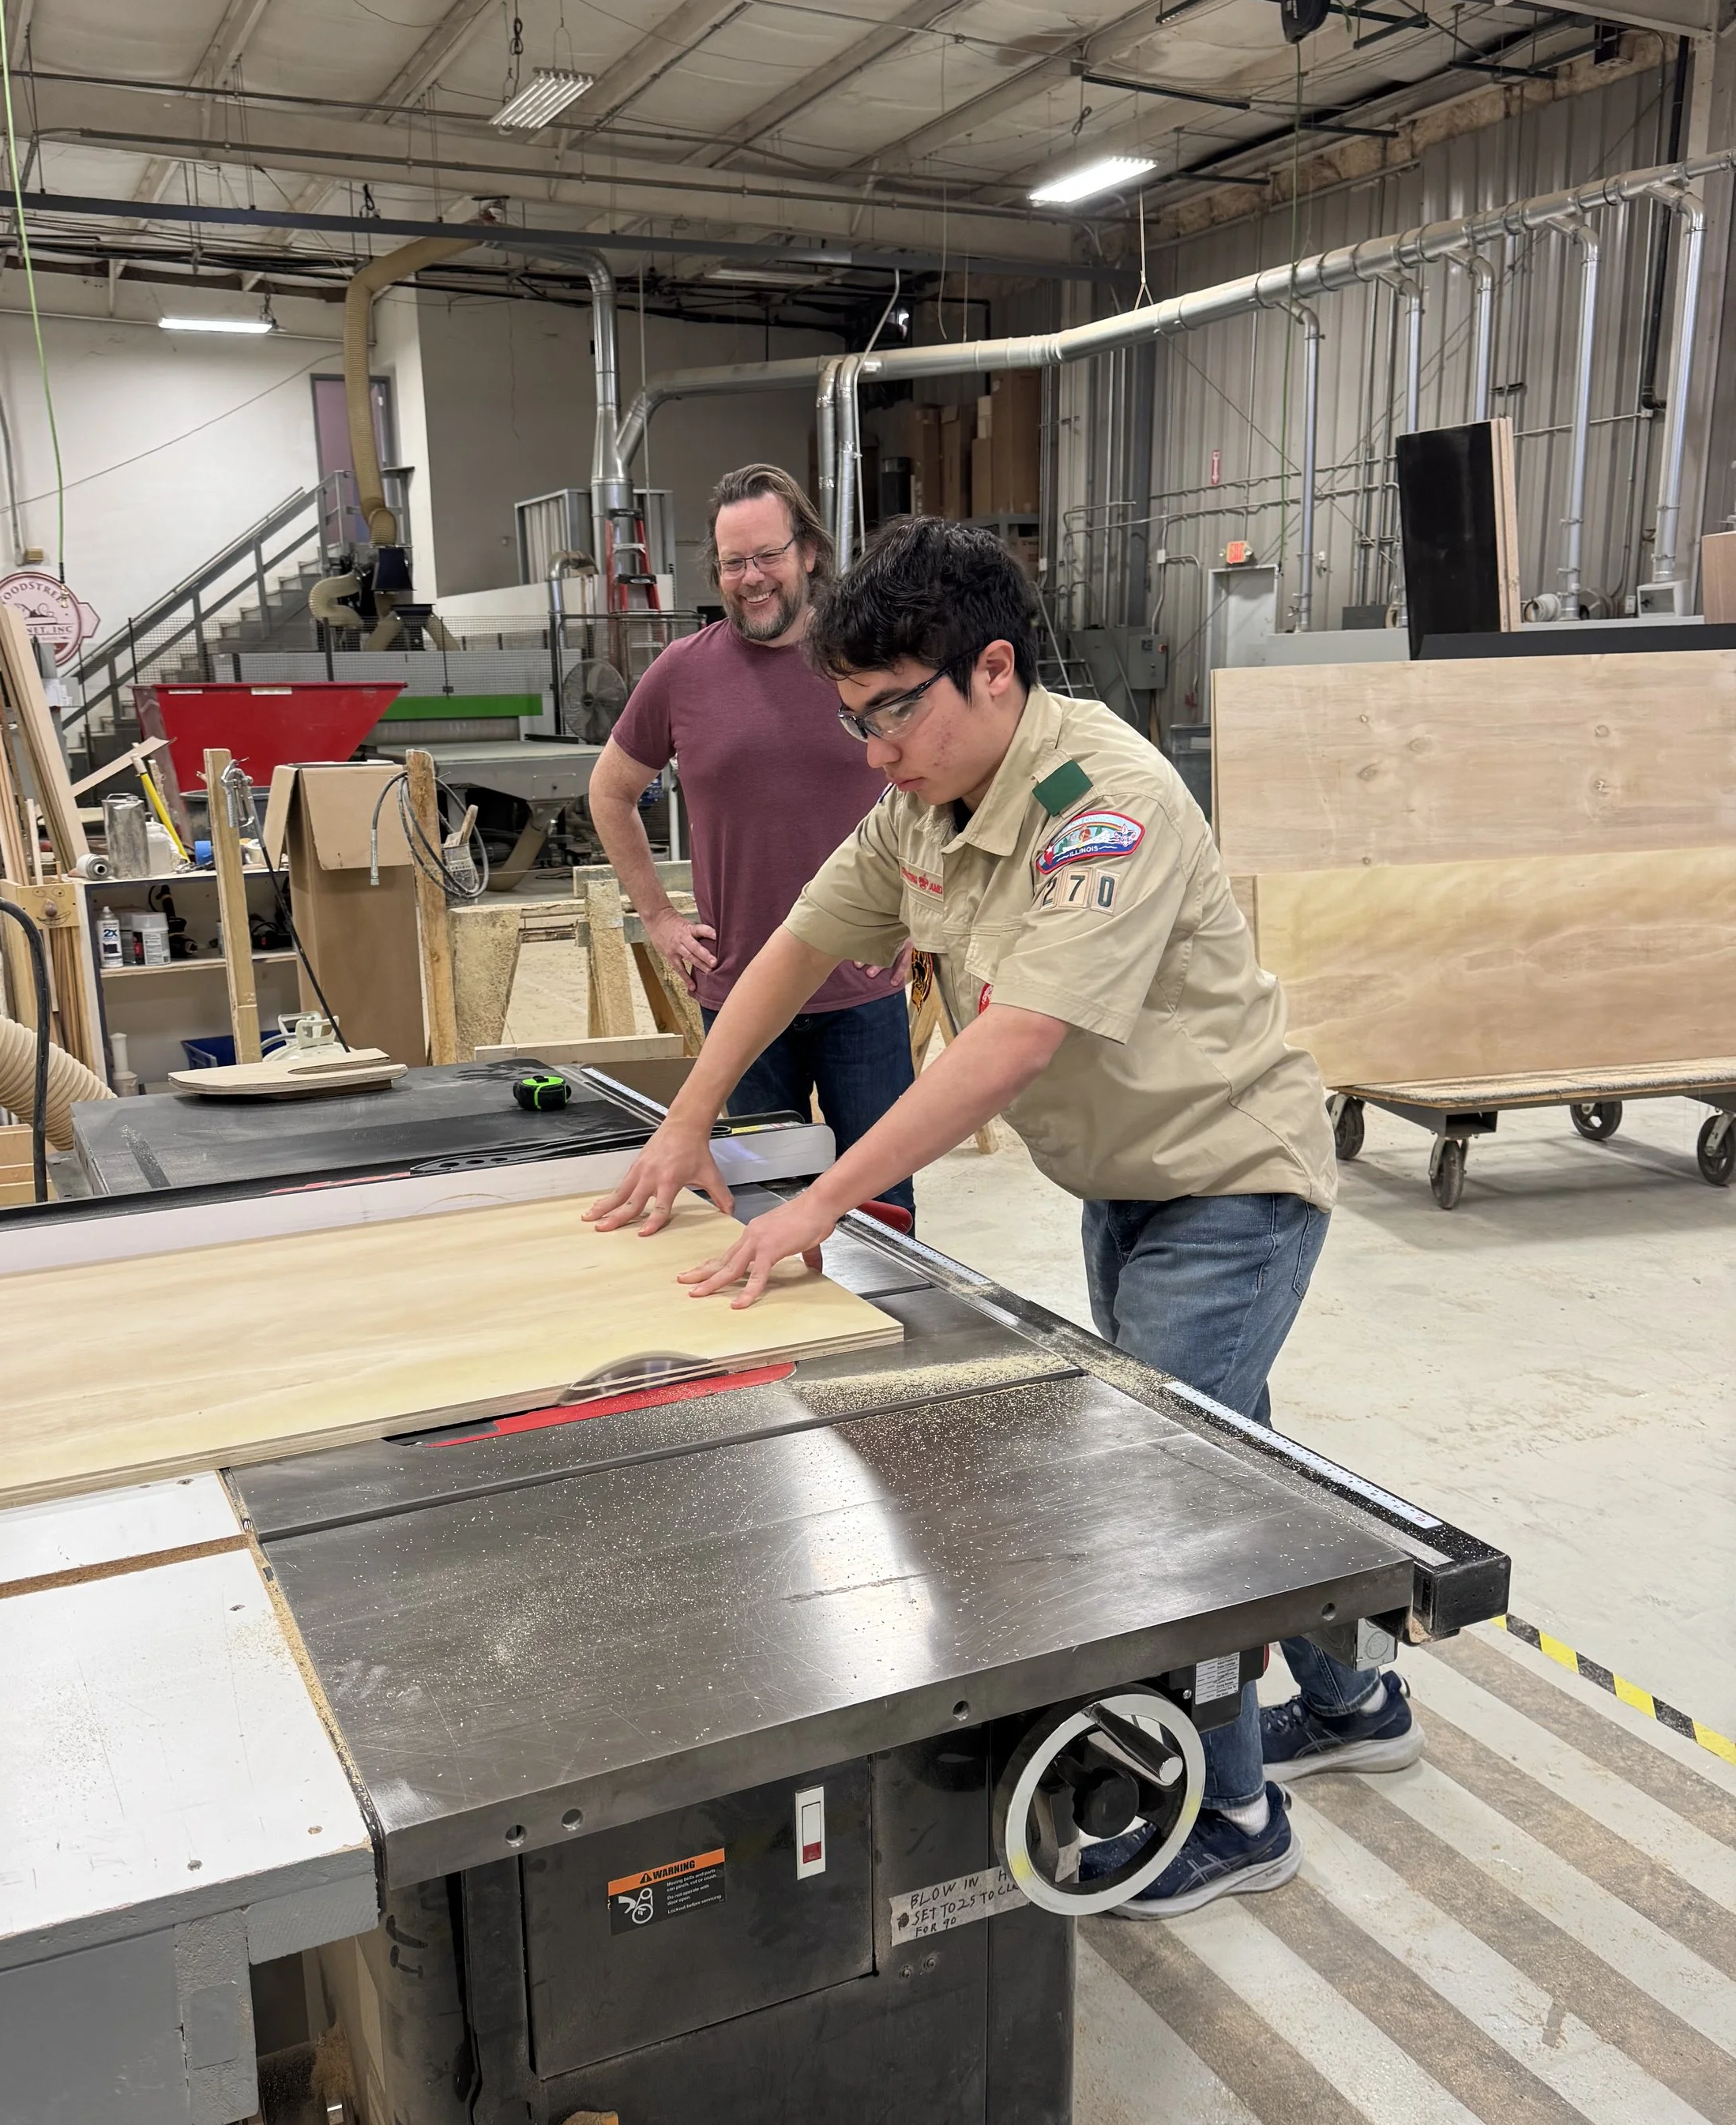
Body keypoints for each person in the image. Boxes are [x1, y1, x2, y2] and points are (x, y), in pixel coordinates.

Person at [588, 516, 1421, 1917]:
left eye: (891, 712)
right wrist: (686, 1119)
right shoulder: (923, 804)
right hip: (1126, 1181)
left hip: (1229, 1177)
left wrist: (820, 1205)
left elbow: (1014, 1040)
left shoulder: (1111, 799)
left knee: (1170, 1497)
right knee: (1243, 1460)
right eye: (851, 718)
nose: (872, 751)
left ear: (991, 671)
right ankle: (1352, 1699)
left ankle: (1233, 1811)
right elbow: (795, 944)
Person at [588, 464, 916, 1218]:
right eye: (734, 562)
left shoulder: (867, 664)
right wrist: (659, 917)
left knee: (883, 1209)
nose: (751, 577)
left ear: (807, 552)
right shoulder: (682, 672)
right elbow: (610, 791)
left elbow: (934, 791)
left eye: (767, 554)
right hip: (740, 995)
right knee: (754, 1206)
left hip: (859, 990)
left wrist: (920, 915)